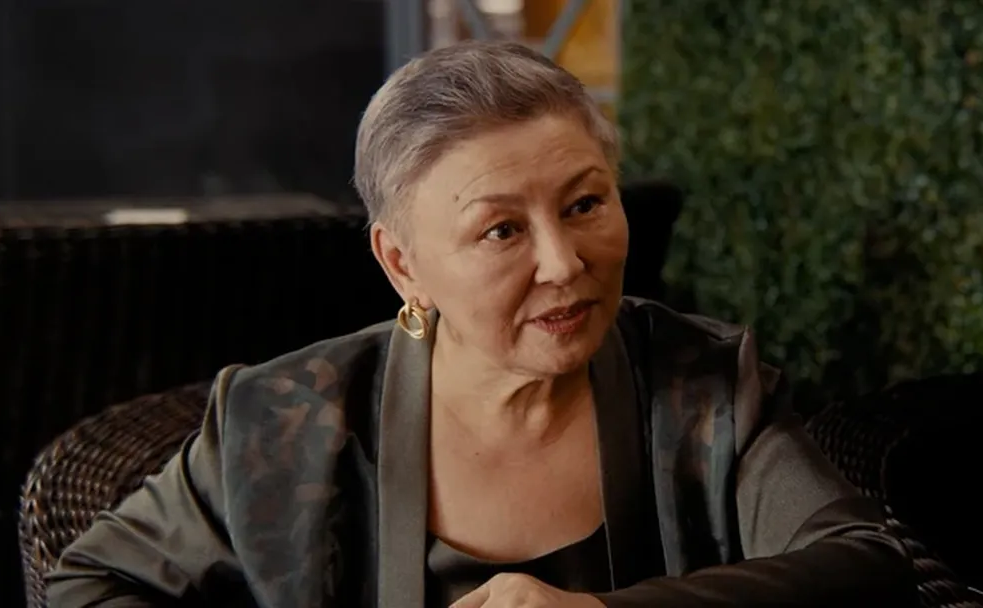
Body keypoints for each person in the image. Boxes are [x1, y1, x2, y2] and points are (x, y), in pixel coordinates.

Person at [46, 40, 916, 607]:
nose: (564, 262)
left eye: (585, 204)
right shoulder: (283, 421)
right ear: (403, 264)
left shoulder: (705, 386)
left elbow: (865, 567)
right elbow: (90, 583)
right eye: (501, 230)